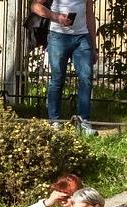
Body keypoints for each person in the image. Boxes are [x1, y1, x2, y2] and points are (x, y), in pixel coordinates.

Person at [32, 0, 96, 130]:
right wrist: (56, 17)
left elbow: (89, 14)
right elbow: (35, 6)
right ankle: (54, 121)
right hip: (58, 37)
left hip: (82, 37)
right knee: (57, 79)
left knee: (86, 77)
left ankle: (84, 121)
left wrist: (93, 46)